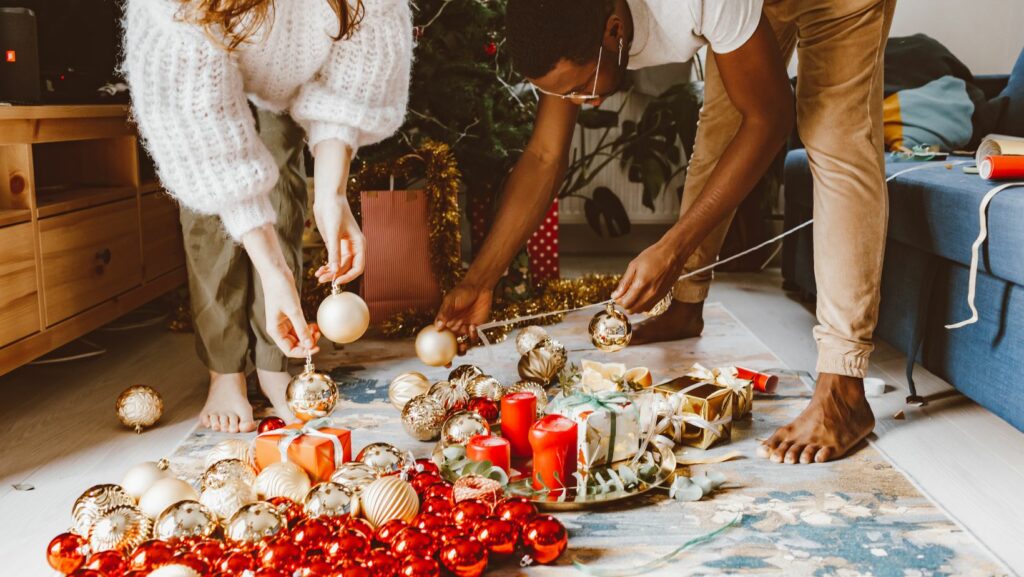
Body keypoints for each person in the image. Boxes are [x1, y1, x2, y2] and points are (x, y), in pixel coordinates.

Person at [436, 0, 894, 464]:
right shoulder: (567, 21)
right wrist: (480, 281)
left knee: (835, 138)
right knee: (721, 127)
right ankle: (686, 305)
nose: (583, 103)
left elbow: (771, 119)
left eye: (580, 88)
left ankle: (843, 390)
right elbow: (543, 157)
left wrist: (672, 249)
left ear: (614, 30)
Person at [124, 0, 412, 432]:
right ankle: (225, 370)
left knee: (284, 193)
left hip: (287, 72)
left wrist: (332, 195)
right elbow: (209, 149)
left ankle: (275, 363)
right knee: (212, 219)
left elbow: (353, 81)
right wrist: (272, 271)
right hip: (204, 55)